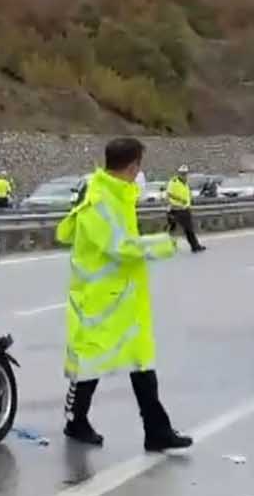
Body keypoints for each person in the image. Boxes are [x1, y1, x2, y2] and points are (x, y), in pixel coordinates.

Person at [55, 137, 194, 451]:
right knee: (90, 364)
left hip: (123, 298)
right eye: (138, 166)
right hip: (100, 300)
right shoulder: (101, 200)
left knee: (141, 363)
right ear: (133, 166)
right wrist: (162, 244)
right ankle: (76, 421)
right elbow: (120, 246)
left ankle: (157, 431)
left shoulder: (117, 194)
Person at [165, 165, 205, 253]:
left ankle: (195, 246)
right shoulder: (174, 181)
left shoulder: (186, 183)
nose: (184, 175)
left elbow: (187, 195)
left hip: (185, 209)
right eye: (182, 173)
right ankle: (171, 246)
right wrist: (179, 200)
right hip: (175, 209)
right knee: (173, 229)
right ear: (179, 173)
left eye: (185, 173)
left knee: (189, 229)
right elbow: (169, 194)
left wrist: (190, 201)